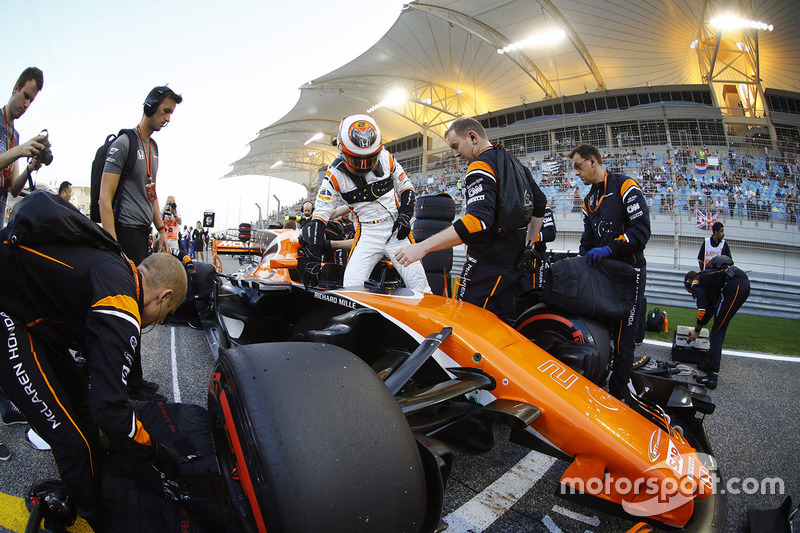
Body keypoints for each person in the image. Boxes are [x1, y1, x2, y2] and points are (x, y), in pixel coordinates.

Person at [0, 196, 187, 529]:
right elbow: (110, 411)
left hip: (25, 309)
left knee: (81, 405)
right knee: (74, 441)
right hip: (8, 316)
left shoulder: (117, 264)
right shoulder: (122, 304)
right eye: (166, 315)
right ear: (164, 296)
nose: (159, 322)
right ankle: (94, 519)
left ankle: (91, 488)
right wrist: (159, 455)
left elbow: (96, 397)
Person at [395, 117, 545, 322]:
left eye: (456, 146)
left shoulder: (480, 165)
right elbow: (540, 202)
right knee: (503, 327)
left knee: (465, 324)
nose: (455, 154)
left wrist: (422, 247)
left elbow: (477, 221)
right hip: (513, 266)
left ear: (473, 137)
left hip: (486, 268)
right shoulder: (514, 162)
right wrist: (529, 243)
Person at [303, 114, 430, 292]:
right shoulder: (333, 175)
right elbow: (319, 217)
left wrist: (404, 216)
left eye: (369, 159)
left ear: (378, 150)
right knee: (351, 287)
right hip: (367, 235)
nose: (363, 165)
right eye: (356, 159)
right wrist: (313, 256)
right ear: (342, 151)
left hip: (396, 233)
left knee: (421, 288)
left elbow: (406, 188)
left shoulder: (386, 157)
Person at [568, 143, 651, 401]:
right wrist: (580, 260)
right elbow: (587, 239)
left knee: (625, 335)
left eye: (578, 166)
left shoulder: (625, 186)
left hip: (630, 271)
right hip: (604, 273)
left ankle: (619, 395)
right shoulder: (588, 200)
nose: (577, 173)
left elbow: (641, 232)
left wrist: (609, 249)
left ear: (593, 161)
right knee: (600, 330)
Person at [98, 85, 183, 265]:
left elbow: (151, 193)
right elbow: (104, 199)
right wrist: (114, 247)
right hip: (125, 232)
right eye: (165, 111)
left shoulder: (153, 148)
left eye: (171, 114)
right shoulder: (124, 143)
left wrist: (161, 231)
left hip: (143, 234)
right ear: (150, 106)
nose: (167, 119)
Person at [684, 259, 750, 389]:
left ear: (688, 284)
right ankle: (710, 363)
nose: (692, 293)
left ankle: (712, 377)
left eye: (690, 291)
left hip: (734, 285)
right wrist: (699, 327)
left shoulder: (696, 283)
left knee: (717, 330)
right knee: (719, 327)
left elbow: (702, 310)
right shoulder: (710, 282)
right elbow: (709, 311)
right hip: (739, 284)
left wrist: (697, 330)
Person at [1, 67, 46, 229]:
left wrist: (30, 168)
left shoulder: (15, 136)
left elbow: (13, 189)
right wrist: (20, 151)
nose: (26, 104)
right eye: (25, 96)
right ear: (15, 89)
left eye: (31, 101)